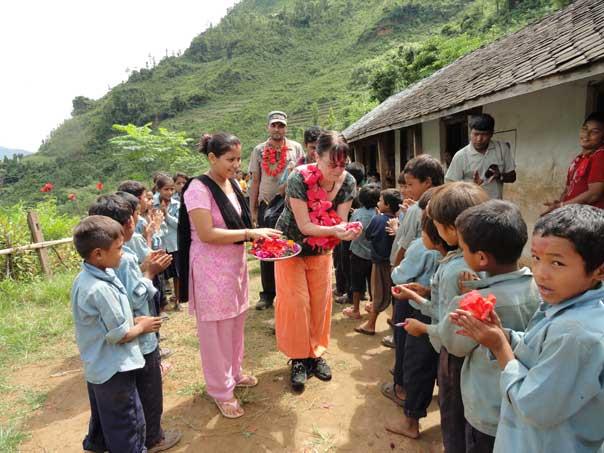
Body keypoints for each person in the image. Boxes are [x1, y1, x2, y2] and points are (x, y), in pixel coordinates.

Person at [452, 204, 604, 453]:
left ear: (599, 269)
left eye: (557, 263)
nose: (541, 273)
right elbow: (539, 351)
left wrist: (500, 347)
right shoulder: (564, 306)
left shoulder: (576, 334)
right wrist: (506, 336)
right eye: (535, 258)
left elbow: (534, 406)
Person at [423, 200, 540, 451]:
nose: (461, 255)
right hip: (519, 403)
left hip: (486, 410)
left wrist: (464, 298)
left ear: (482, 258)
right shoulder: (539, 289)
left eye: (463, 249)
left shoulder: (475, 304)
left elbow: (453, 344)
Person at [179, 132, 280, 418]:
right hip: (210, 267)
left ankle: (234, 373)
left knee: (236, 322)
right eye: (230, 159)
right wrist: (249, 233)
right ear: (212, 158)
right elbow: (208, 233)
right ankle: (220, 390)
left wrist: (256, 237)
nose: (236, 165)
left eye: (238, 158)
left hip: (233, 265)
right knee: (215, 331)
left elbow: (237, 222)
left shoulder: (231, 184)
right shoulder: (198, 189)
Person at [395, 181, 489, 453]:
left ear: (450, 230)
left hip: (454, 354)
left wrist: (422, 328)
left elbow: (447, 325)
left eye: (433, 223)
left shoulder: (453, 270)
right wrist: (419, 296)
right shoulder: (476, 260)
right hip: (470, 353)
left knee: (453, 415)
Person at [88, 194, 182, 451]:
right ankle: (153, 437)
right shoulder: (124, 257)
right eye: (134, 217)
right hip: (140, 338)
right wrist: (150, 272)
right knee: (149, 392)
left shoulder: (98, 261)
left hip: (120, 346)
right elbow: (134, 296)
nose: (137, 220)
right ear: (125, 225)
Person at [274, 131, 360, 391]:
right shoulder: (297, 178)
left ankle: (316, 353)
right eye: (331, 163)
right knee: (296, 301)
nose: (337, 170)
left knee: (320, 301)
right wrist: (336, 231)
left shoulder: (348, 182)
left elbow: (341, 221)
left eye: (342, 164)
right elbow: (305, 225)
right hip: (290, 245)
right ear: (315, 156)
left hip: (322, 248)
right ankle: (298, 358)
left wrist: (348, 230)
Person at [72, 215, 161, 452]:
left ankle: (98, 445)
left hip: (99, 366)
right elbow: (119, 335)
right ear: (98, 254)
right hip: (115, 368)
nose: (122, 253)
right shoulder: (99, 289)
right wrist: (142, 327)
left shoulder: (90, 277)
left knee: (108, 418)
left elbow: (106, 320)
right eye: (119, 248)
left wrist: (132, 320)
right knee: (128, 423)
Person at [385, 188, 446, 438]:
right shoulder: (463, 256)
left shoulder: (421, 246)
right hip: (442, 319)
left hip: (419, 312)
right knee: (440, 367)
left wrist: (400, 264)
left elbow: (399, 275)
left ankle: (411, 422)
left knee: (416, 366)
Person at [248, 111, 305, 310]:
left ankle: (286, 291)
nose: (277, 129)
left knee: (288, 246)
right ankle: (267, 294)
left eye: (281, 125)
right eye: (274, 125)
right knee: (266, 247)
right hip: (265, 203)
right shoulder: (258, 150)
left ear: (286, 127)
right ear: (268, 127)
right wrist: (253, 210)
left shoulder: (296, 148)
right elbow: (254, 181)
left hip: (289, 204)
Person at [354, 188, 402, 336]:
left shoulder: (378, 219)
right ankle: (394, 319)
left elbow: (368, 236)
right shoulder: (397, 222)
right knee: (394, 292)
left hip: (379, 262)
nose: (378, 203)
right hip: (394, 263)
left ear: (386, 205)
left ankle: (370, 324)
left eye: (380, 201)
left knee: (378, 293)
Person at [445, 114, 516, 200]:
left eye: (484, 135)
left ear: (491, 134)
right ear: (470, 133)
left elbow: (513, 177)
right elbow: (450, 186)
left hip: (495, 206)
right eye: (476, 134)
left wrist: (499, 175)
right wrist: (472, 186)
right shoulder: (461, 156)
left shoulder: (502, 149)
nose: (479, 139)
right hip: (471, 207)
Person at [544, 112, 604, 212]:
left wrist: (561, 206)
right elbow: (568, 189)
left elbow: (594, 194)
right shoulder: (578, 159)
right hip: (573, 214)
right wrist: (559, 204)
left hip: (590, 219)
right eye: (585, 129)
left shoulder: (601, 155)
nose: (587, 134)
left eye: (595, 132)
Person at [342, 184, 380, 320]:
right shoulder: (378, 215)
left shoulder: (357, 213)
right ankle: (371, 307)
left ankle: (356, 309)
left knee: (356, 283)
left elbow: (350, 228)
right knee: (372, 283)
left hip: (358, 253)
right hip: (373, 256)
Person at [154, 175, 181, 309]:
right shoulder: (152, 204)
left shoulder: (177, 204)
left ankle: (177, 300)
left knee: (177, 273)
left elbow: (179, 225)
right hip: (159, 244)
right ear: (159, 190)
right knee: (160, 275)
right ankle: (162, 302)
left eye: (172, 189)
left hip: (173, 243)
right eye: (166, 189)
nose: (169, 192)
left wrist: (167, 215)